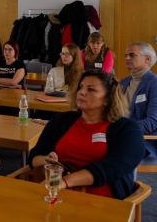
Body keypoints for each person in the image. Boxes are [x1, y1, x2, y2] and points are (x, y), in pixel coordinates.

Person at [28, 70, 145, 199]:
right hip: (55, 192)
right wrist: (46, 161)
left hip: (103, 201)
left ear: (107, 99)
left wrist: (65, 182)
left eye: (91, 90)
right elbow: (33, 157)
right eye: (81, 87)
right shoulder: (60, 121)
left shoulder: (127, 130)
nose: (82, 92)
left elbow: (113, 167)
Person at [120, 41, 157, 158]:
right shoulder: (123, 82)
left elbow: (152, 122)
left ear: (147, 59)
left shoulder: (154, 83)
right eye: (125, 55)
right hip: (119, 135)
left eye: (132, 55)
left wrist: (124, 129)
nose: (127, 58)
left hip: (144, 141)